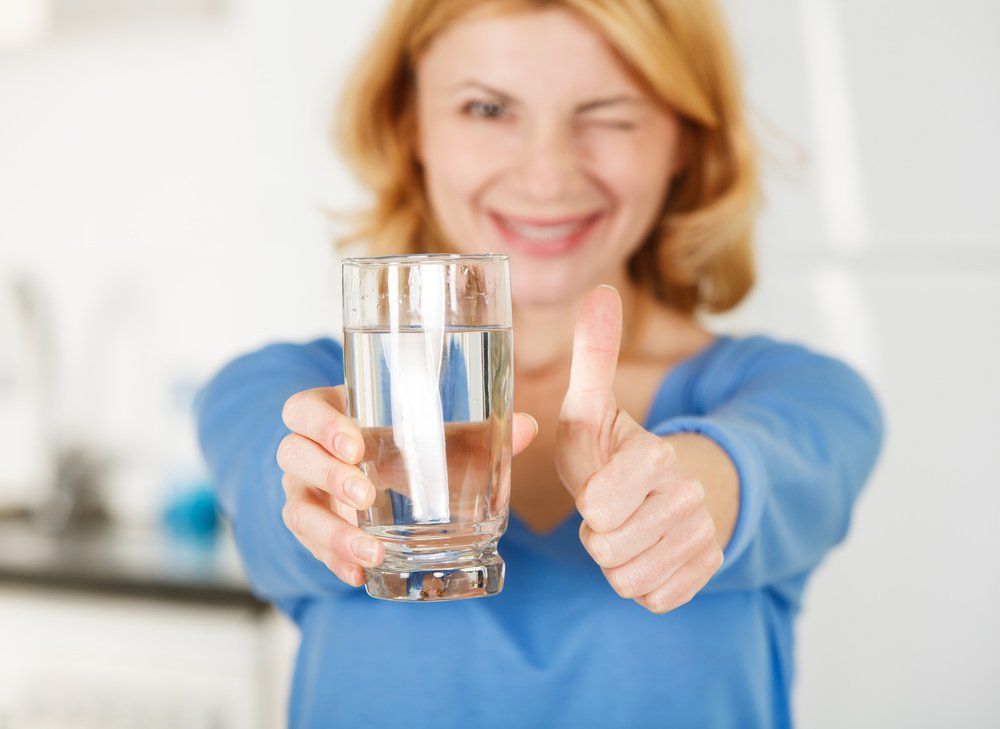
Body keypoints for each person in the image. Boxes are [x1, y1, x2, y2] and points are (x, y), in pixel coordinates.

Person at [195, 1, 884, 727]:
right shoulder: (270, 391)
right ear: (410, 124)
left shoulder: (809, 397)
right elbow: (277, 510)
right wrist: (322, 491)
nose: (549, 174)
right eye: (488, 107)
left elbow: (768, 473)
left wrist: (684, 495)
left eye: (611, 114)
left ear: (684, 137)